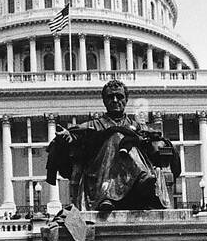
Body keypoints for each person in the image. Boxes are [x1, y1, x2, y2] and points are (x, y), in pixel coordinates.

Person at [48, 79, 180, 214]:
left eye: (120, 96)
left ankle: (140, 181)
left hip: (133, 178)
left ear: (126, 100)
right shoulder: (94, 125)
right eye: (111, 97)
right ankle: (120, 189)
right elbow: (75, 135)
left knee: (129, 138)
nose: (115, 100)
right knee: (116, 136)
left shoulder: (137, 126)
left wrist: (161, 143)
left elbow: (155, 138)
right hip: (99, 173)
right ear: (104, 101)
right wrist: (68, 137)